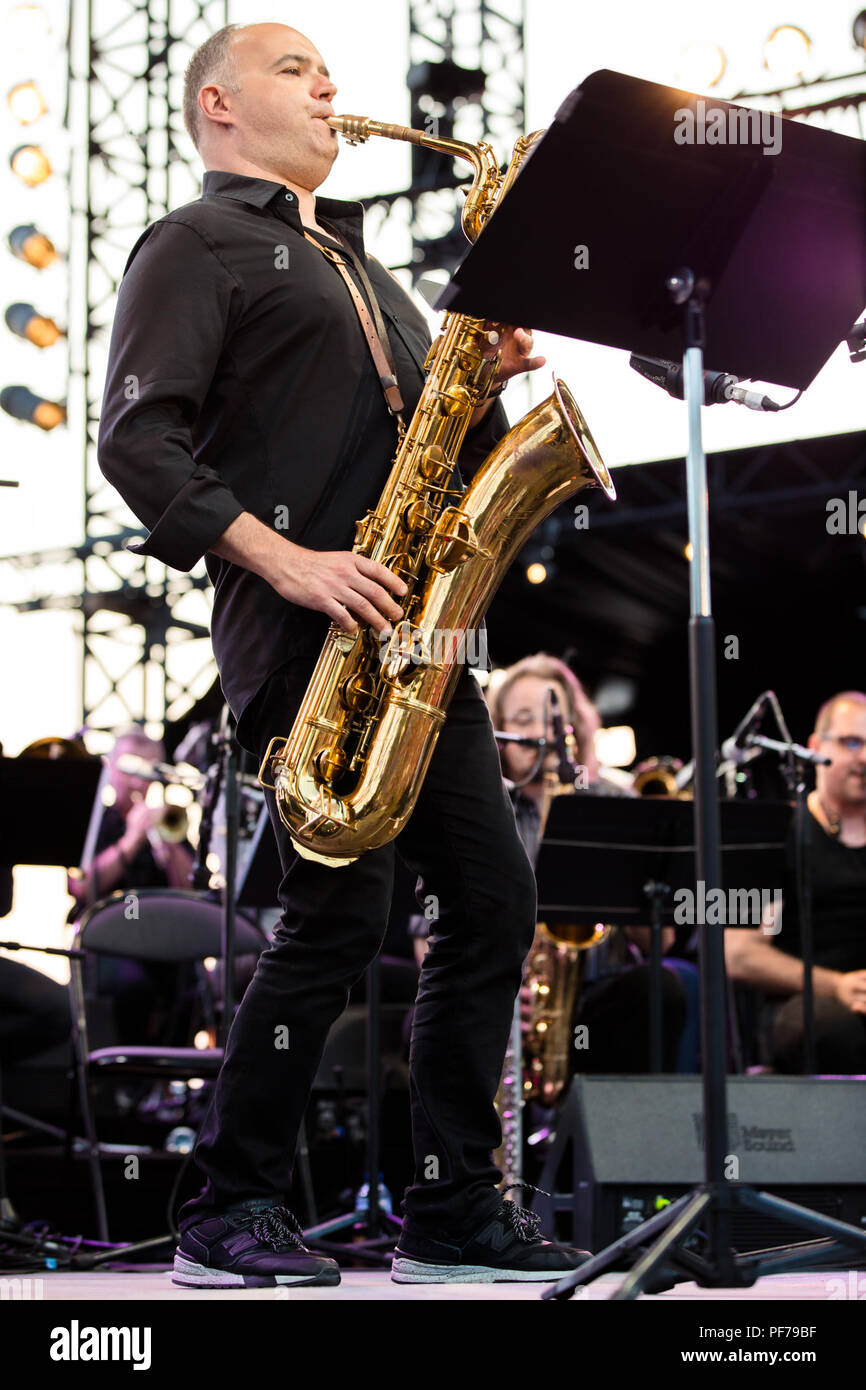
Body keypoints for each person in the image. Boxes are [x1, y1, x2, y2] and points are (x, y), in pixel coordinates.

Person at [97, 20, 590, 1287]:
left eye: (329, 71)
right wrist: (285, 558)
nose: (329, 87)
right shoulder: (192, 244)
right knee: (334, 914)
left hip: (415, 628)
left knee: (491, 902)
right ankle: (225, 1206)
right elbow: (138, 443)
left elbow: (445, 462)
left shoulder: (371, 275)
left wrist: (481, 387)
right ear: (218, 105)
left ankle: (449, 1213)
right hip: (299, 622)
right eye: (293, 70)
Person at [485, 653, 689, 1077]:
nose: (542, 731)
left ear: (576, 727)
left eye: (553, 717)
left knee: (660, 989)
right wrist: (494, 994)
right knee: (428, 1024)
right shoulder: (485, 809)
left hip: (597, 997)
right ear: (498, 732)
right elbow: (427, 941)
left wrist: (632, 879)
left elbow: (661, 942)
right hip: (502, 999)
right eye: (523, 719)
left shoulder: (614, 803)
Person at [725, 690, 866, 1073]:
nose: (864, 758)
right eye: (852, 742)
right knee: (828, 1030)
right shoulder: (775, 834)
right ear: (815, 747)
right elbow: (738, 953)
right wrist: (837, 986)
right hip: (806, 1006)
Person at [68, 728, 196, 1046]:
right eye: (131, 772)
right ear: (111, 770)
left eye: (147, 773)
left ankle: (168, 1085)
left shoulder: (165, 822)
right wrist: (132, 840)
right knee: (132, 987)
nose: (139, 783)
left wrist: (169, 851)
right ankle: (124, 1084)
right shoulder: (96, 820)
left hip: (162, 942)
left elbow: (193, 891)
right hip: (106, 944)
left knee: (194, 988)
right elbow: (82, 887)